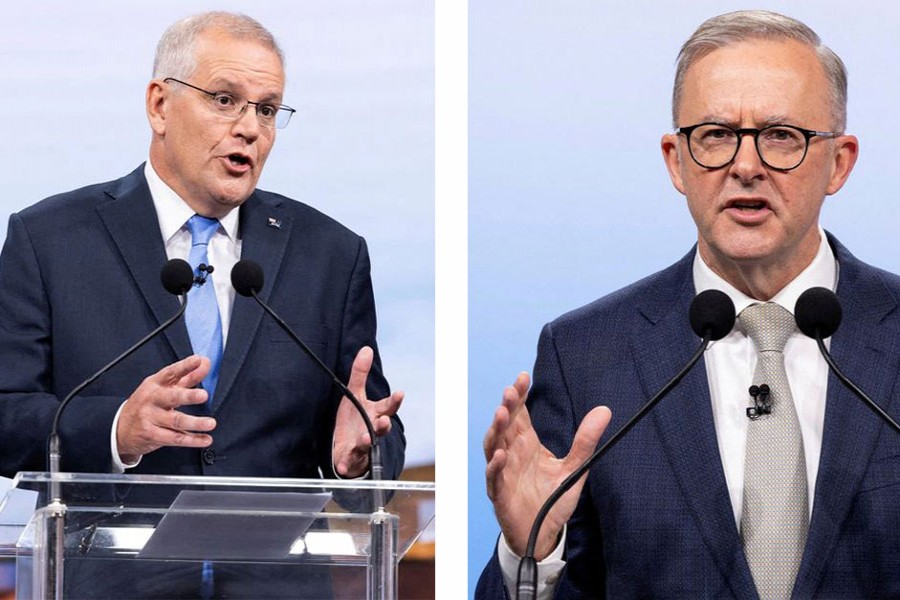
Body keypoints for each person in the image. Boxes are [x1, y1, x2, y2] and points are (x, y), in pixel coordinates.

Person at [478, 10, 900, 599]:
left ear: (840, 162)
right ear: (676, 160)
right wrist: (534, 554)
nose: (745, 166)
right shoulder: (586, 356)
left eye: (782, 135)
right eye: (716, 135)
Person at [0, 11, 405, 598]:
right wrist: (117, 429)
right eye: (225, 99)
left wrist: (358, 458)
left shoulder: (331, 255)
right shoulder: (50, 241)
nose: (250, 129)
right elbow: (6, 411)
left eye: (267, 110)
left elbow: (369, 424)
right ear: (159, 105)